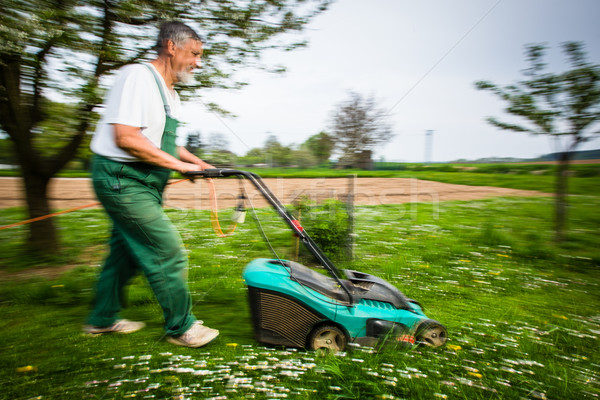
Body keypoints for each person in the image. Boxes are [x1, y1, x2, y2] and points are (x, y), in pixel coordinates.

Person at [83, 21, 219, 348]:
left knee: (124, 253)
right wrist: (178, 166)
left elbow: (166, 144)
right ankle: (182, 327)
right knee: (165, 249)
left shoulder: (170, 94)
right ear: (172, 47)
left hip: (145, 184)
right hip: (122, 178)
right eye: (194, 54)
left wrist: (198, 164)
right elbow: (127, 137)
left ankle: (101, 320)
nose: (198, 62)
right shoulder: (137, 77)